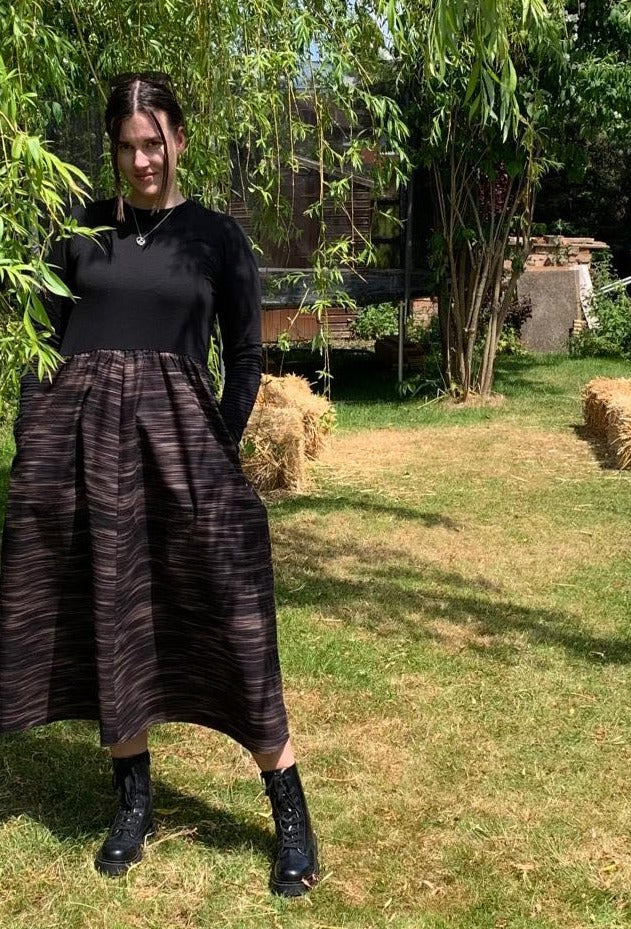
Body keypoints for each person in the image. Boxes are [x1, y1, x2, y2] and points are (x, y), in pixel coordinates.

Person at [0, 72, 319, 897]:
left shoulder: (215, 237)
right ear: (113, 149)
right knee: (110, 615)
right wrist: (35, 432)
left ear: (179, 137)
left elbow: (244, 353)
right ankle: (132, 802)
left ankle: (288, 808)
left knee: (233, 615)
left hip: (181, 450)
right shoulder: (78, 234)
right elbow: (41, 341)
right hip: (81, 453)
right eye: (126, 146)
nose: (142, 160)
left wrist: (218, 437)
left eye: (154, 142)